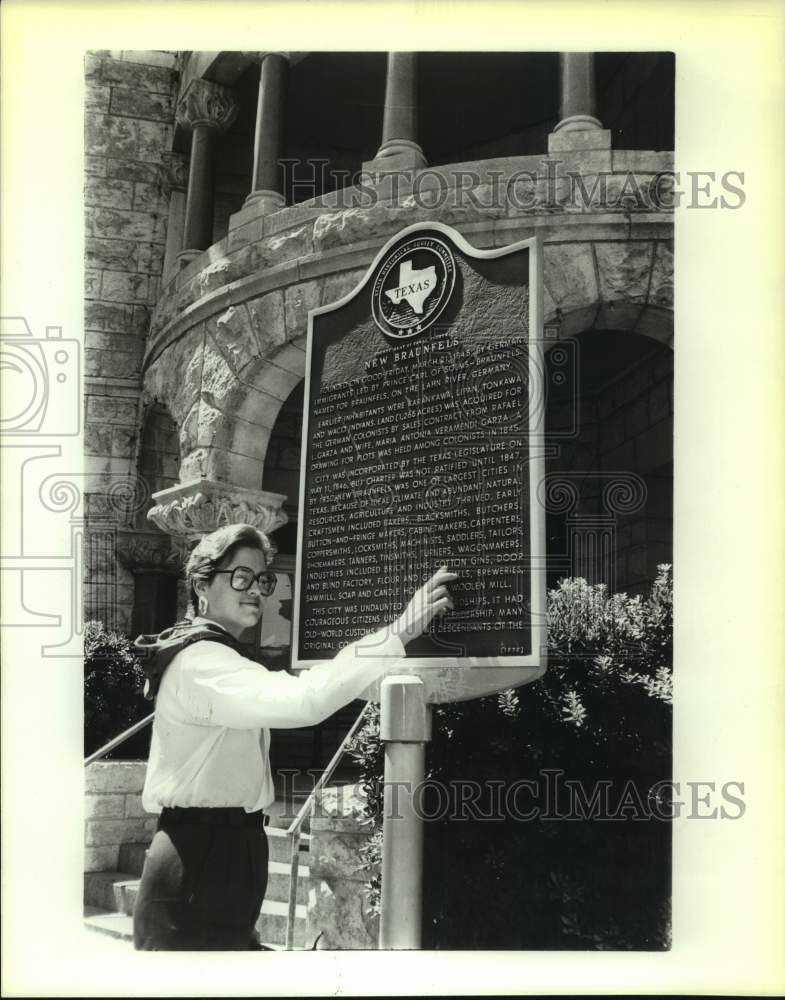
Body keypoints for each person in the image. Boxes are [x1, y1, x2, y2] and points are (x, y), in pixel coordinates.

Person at [132, 522, 456, 950]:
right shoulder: (201, 661)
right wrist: (397, 633)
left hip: (223, 851)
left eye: (262, 579)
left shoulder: (216, 652)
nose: (256, 590)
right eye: (240, 577)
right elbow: (305, 699)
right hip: (199, 858)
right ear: (201, 586)